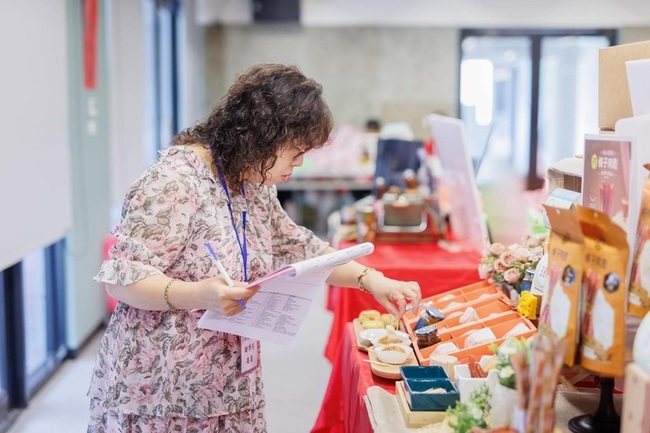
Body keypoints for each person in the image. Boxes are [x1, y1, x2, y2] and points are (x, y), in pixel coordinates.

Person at [88, 63, 421, 432]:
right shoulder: (172, 182)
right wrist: (198, 294)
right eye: (295, 152)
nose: (299, 164)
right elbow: (122, 281)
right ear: (260, 137)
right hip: (165, 390)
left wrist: (370, 279)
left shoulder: (252, 181)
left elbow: (299, 249)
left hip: (230, 381)